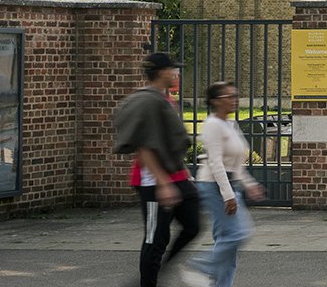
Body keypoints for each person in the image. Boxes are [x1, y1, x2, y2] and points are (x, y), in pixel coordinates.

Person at [112, 52, 205, 287]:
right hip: (153, 182)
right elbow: (143, 147)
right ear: (163, 72)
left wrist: (184, 175)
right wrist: (163, 183)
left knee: (193, 226)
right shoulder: (146, 100)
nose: (177, 73)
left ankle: (160, 269)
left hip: (176, 176)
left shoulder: (165, 99)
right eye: (174, 69)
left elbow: (167, 143)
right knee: (156, 238)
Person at [190, 82, 265, 287]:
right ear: (215, 101)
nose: (234, 100)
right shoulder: (212, 124)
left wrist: (249, 184)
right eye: (228, 96)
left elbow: (237, 162)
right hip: (214, 186)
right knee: (239, 233)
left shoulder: (230, 124)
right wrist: (228, 195)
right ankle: (202, 265)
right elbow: (215, 162)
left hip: (229, 186)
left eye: (235, 95)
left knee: (228, 247)